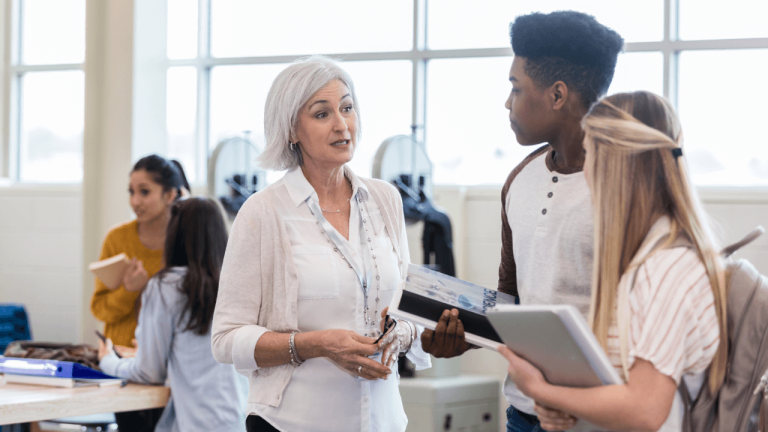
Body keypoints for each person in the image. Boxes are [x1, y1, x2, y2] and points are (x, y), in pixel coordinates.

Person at [418, 11, 624, 431]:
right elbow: (511, 299)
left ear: (558, 94)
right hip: (523, 414)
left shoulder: (626, 185)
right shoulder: (519, 180)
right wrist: (464, 335)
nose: (507, 103)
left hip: (599, 417)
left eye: (515, 88)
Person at [210, 55, 431, 432]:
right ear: (291, 130)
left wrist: (405, 333)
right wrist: (317, 344)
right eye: (321, 114)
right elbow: (226, 340)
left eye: (347, 108)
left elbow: (407, 307)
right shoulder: (263, 212)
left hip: (382, 421)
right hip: (290, 422)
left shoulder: (385, 200)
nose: (342, 124)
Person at [498, 91, 727, 431]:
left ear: (617, 161)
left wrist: (539, 389)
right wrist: (565, 406)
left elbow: (645, 410)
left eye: (589, 153)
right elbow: (626, 388)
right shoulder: (647, 256)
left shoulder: (666, 267)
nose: (585, 169)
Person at [99, 197, 247, 432]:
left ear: (174, 234)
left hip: (198, 424)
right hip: (240, 419)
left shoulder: (166, 286)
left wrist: (107, 360)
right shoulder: (237, 283)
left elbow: (149, 373)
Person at [90, 154, 189, 431]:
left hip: (173, 365)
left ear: (170, 194)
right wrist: (128, 291)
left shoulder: (184, 241)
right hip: (124, 365)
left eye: (145, 192)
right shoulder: (117, 238)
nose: (135, 201)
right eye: (132, 192)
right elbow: (99, 309)